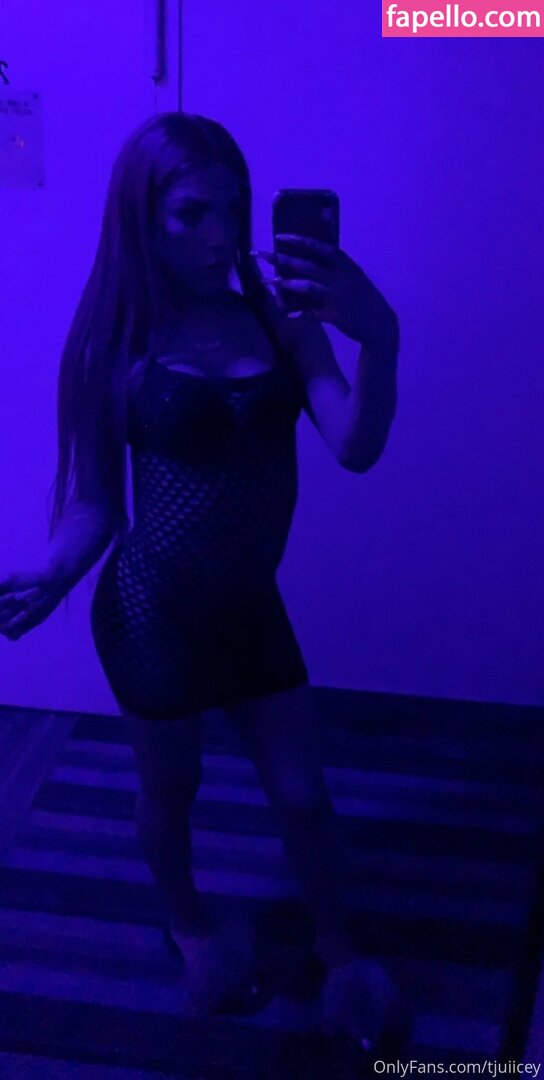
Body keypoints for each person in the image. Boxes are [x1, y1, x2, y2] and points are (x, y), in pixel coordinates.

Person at [0, 112, 402, 1051]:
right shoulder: (112, 343)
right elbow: (95, 503)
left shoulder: (278, 318)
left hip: (249, 609)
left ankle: (341, 952)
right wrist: (52, 572)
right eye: (192, 213)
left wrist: (380, 337)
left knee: (302, 794)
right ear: (142, 218)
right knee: (170, 787)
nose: (220, 234)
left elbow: (354, 446)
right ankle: (187, 927)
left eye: (234, 208)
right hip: (152, 613)